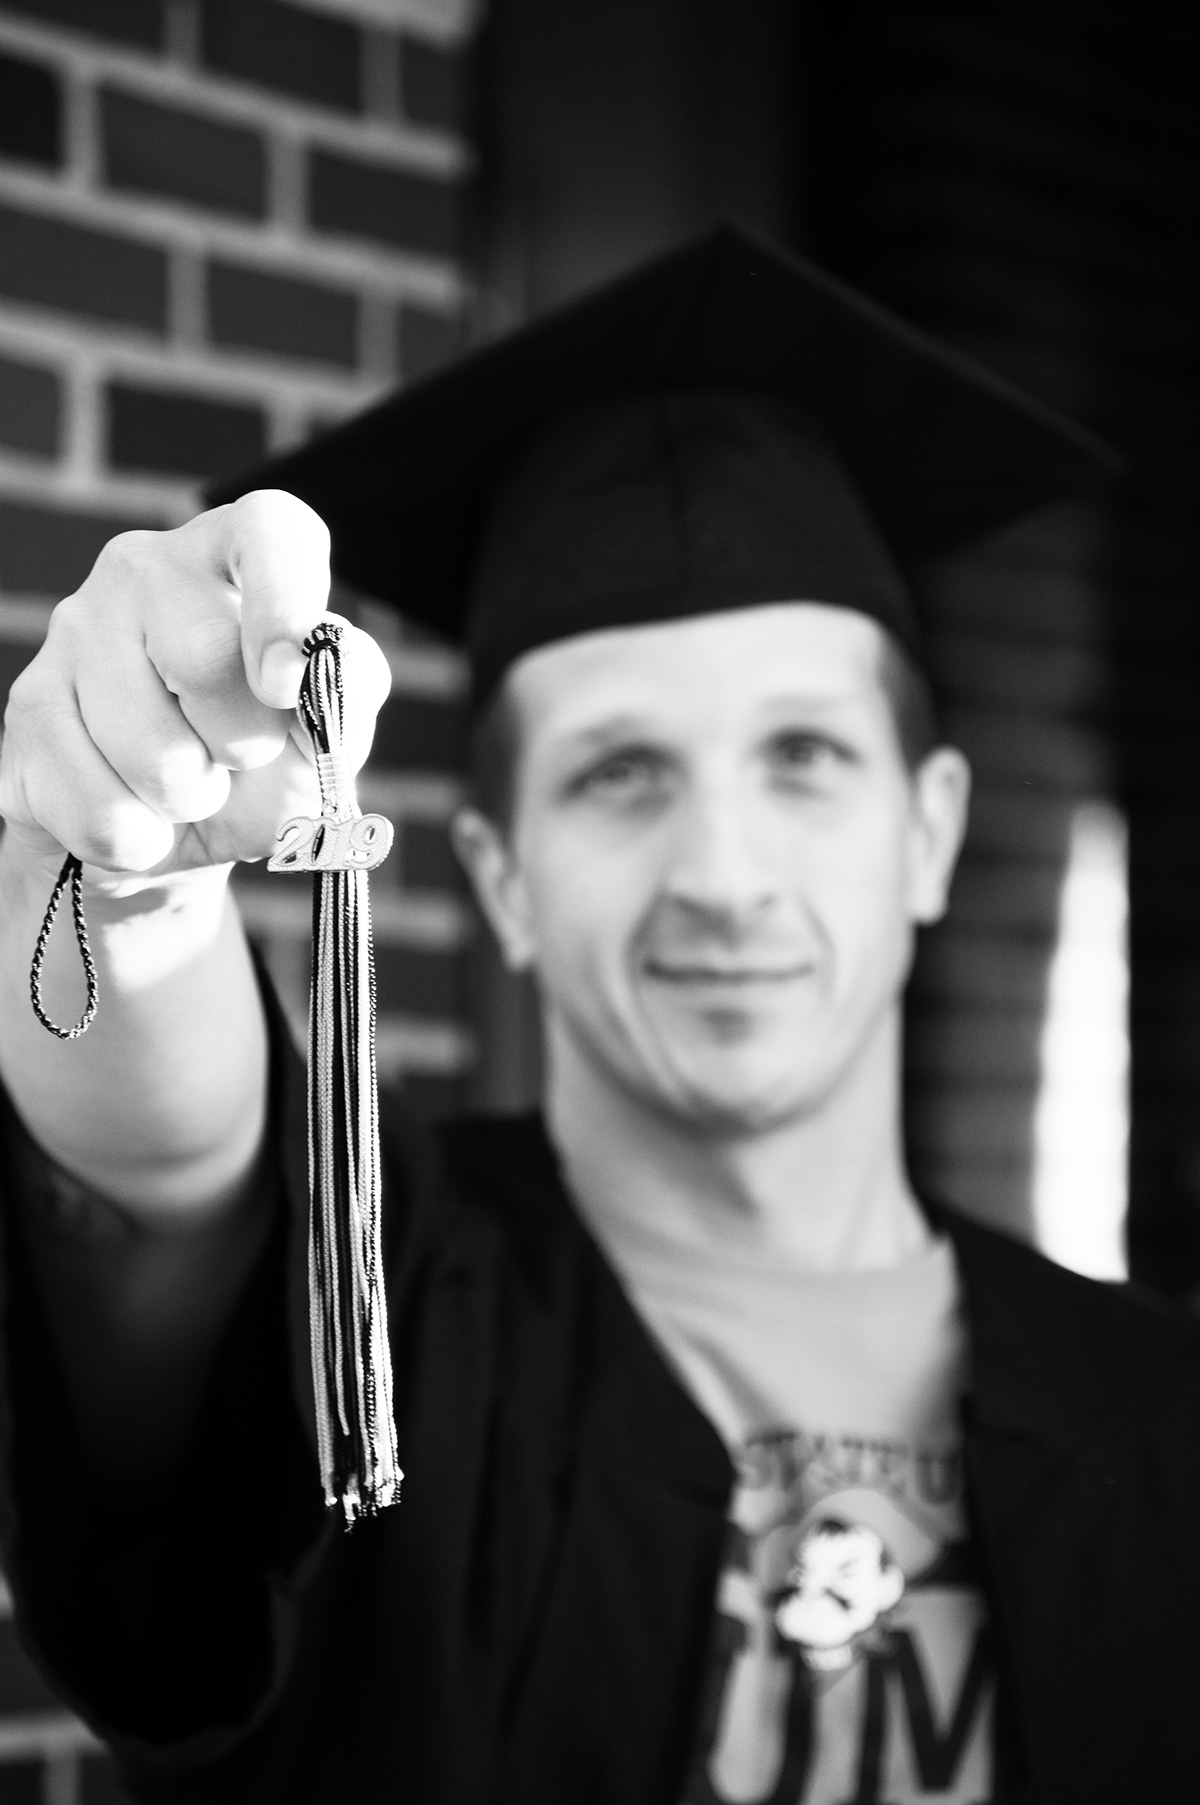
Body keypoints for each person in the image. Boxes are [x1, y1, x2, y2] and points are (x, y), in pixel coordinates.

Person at [0, 227, 1194, 1805]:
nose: (720, 871)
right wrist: (131, 884)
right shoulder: (400, 1319)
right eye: (619, 773)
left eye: (805, 759)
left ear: (932, 827)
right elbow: (177, 1163)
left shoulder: (1161, 1423)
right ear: (497, 874)